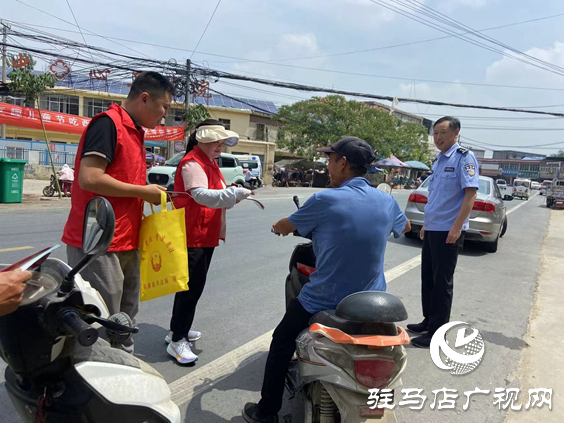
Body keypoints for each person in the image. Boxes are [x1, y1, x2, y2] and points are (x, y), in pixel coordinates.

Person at [243, 137, 411, 423]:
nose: (327, 166)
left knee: (281, 342)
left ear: (343, 163)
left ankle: (266, 411)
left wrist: (278, 228)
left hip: (323, 300)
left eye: (330, 160)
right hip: (371, 303)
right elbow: (404, 226)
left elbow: (286, 225)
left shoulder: (325, 199)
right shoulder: (385, 199)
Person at [62, 71, 173, 353]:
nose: (164, 116)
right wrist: (142, 191)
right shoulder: (107, 124)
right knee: (101, 323)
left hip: (126, 238)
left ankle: (125, 373)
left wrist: (143, 190)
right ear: (145, 99)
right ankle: (98, 385)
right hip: (98, 242)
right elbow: (89, 178)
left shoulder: (134, 131)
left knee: (124, 319)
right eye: (165, 108)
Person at [166, 119, 253, 364]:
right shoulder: (192, 162)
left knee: (191, 287)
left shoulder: (209, 162)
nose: (220, 145)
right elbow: (201, 195)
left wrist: (232, 192)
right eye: (216, 140)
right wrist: (233, 194)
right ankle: (177, 340)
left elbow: (216, 192)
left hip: (205, 233)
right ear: (202, 139)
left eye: (223, 141)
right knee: (190, 288)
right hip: (194, 233)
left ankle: (178, 329)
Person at [407, 117, 479, 349]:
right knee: (428, 278)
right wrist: (427, 223)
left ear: (456, 133)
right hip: (433, 228)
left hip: (449, 231)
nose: (438, 138)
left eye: (443, 133)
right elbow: (438, 195)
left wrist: (457, 228)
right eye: (435, 133)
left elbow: (470, 195)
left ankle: (437, 332)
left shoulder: (464, 158)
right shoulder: (439, 159)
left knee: (442, 283)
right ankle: (429, 321)